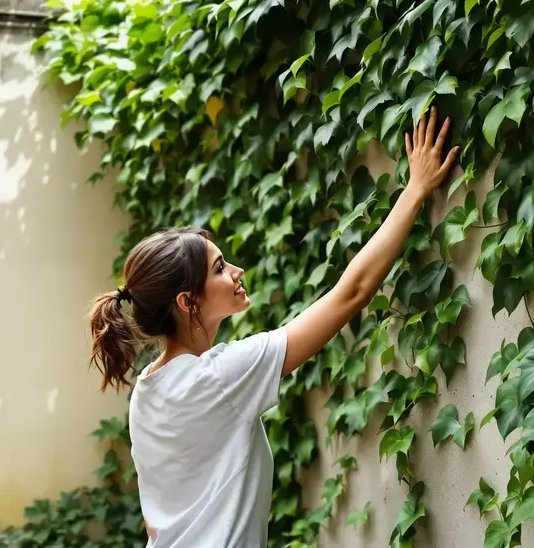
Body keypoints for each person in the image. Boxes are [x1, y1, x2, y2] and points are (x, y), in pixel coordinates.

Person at [88, 107, 461, 547]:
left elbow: (156, 520)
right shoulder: (220, 377)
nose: (238, 271)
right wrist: (415, 190)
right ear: (188, 301)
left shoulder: (147, 390)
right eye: (221, 268)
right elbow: (352, 293)